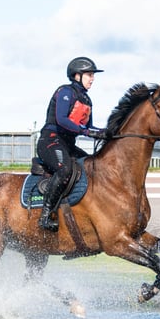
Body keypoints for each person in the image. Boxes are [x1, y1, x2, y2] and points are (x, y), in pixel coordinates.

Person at [36, 56, 108, 232]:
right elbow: (62, 120)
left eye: (93, 75)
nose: (92, 79)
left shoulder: (87, 100)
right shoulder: (65, 92)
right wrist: (86, 131)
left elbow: (89, 127)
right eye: (89, 75)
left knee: (94, 167)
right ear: (77, 75)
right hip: (51, 140)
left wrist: (107, 133)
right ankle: (45, 215)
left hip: (67, 145)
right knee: (65, 169)